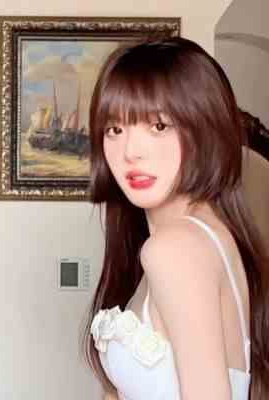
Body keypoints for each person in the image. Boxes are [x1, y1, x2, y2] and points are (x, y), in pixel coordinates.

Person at [81, 37, 269, 400]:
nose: (131, 152)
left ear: (206, 130)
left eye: (159, 126)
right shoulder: (210, 234)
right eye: (115, 129)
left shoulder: (174, 248)